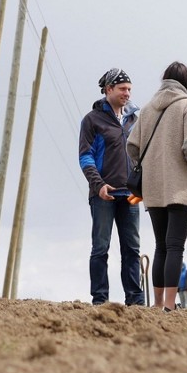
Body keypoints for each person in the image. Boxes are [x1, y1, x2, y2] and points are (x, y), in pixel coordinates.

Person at [127, 62, 187, 312]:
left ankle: (159, 303)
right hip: (181, 186)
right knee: (175, 246)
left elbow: (131, 146)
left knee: (160, 246)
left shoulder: (148, 109)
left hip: (153, 187)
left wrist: (148, 166)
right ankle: (171, 306)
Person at [78, 68, 144, 306]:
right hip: (103, 195)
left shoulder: (135, 120)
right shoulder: (92, 120)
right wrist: (98, 185)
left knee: (132, 250)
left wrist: (142, 185)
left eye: (129, 89)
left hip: (130, 196)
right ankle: (100, 300)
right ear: (108, 90)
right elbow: (85, 157)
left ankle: (136, 301)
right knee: (100, 248)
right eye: (122, 89)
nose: (127, 93)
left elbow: (141, 156)